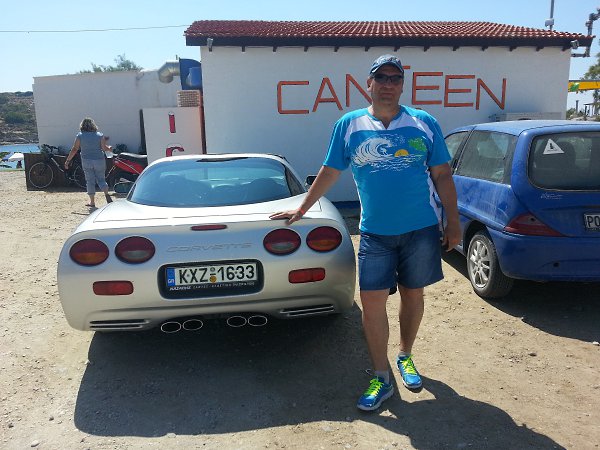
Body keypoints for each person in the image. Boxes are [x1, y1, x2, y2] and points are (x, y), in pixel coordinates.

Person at [270, 55, 460, 411]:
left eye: (394, 78)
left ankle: (405, 355)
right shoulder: (349, 124)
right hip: (374, 233)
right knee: (371, 304)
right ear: (368, 83)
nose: (388, 84)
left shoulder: (424, 122)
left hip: (420, 228)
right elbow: (330, 170)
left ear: (402, 85)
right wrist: (302, 208)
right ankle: (381, 376)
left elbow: (442, 174)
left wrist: (453, 221)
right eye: (381, 77)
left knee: (413, 295)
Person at [64, 117, 113, 209]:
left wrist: (68, 161)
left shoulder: (80, 136)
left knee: (90, 181)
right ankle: (106, 194)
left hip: (86, 161)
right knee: (101, 179)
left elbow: (75, 149)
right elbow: (104, 148)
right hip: (99, 160)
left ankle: (92, 202)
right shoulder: (99, 135)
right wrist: (109, 148)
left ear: (82, 125)